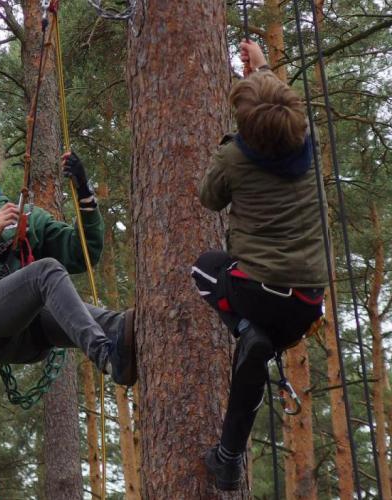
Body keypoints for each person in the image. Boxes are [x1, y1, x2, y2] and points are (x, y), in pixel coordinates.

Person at [193, 40, 328, 490]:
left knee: (205, 269)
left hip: (255, 291)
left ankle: (245, 330)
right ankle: (228, 458)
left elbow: (209, 197)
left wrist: (228, 144)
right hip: (306, 303)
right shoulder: (307, 142)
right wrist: (264, 68)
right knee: (254, 357)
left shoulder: (234, 157)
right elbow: (283, 110)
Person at [0, 128, 136, 386]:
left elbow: (80, 254)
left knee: (121, 324)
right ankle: (105, 356)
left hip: (31, 332)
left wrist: (84, 194)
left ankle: (140, 347)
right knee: (45, 271)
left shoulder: (28, 215)